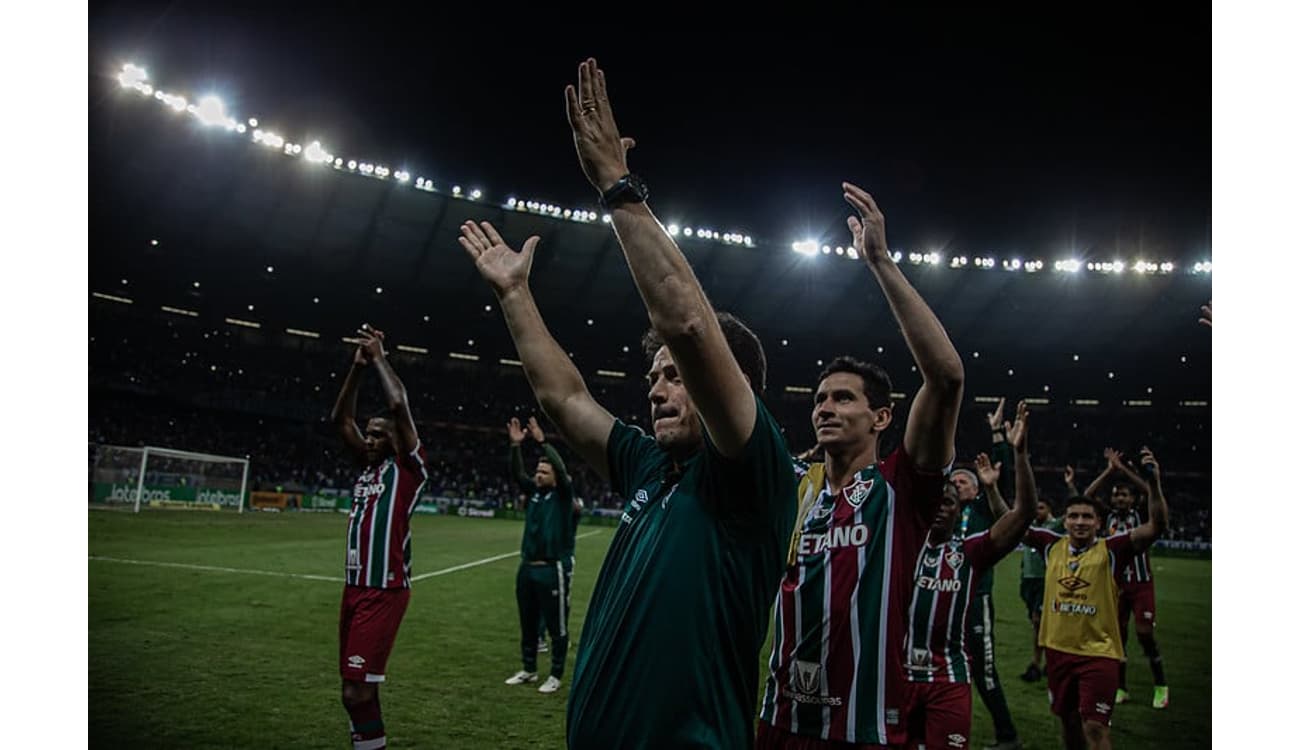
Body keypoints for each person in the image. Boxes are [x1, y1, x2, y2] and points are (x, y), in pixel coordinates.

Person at [458, 56, 796, 750]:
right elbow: (564, 397)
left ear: (728, 386)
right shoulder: (649, 465)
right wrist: (516, 297)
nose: (656, 384)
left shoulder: (749, 474)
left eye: (675, 376)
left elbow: (689, 324)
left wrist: (616, 184)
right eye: (655, 374)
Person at [756, 182, 965, 748]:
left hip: (863, 728)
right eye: (820, 398)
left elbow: (946, 377)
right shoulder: (797, 487)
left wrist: (879, 263)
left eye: (844, 398)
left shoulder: (900, 486)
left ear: (881, 417)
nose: (825, 407)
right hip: (777, 719)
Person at [897, 401, 1038, 750]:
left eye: (951, 498)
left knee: (985, 671)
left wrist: (1017, 453)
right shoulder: (899, 544)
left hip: (949, 672)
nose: (943, 505)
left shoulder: (969, 549)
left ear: (962, 504)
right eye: (937, 499)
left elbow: (1022, 515)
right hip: (898, 677)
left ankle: (1007, 734)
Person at [1024, 448, 1169, 750]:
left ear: (1098, 523)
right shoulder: (1053, 545)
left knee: (1096, 726)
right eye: (1073, 516)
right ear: (1065, 521)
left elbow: (1157, 525)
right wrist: (1014, 458)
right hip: (1059, 651)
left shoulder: (1115, 545)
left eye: (1087, 517)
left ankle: (1159, 684)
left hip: (1105, 640)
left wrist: (1152, 482)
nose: (1080, 521)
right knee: (1068, 722)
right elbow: (1011, 522)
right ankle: (1125, 687)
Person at [328, 324, 429, 750]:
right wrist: (356, 369)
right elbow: (340, 420)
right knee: (357, 689)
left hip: (382, 590)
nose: (368, 440)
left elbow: (397, 402)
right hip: (354, 589)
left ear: (395, 441)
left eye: (377, 435)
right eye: (367, 435)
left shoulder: (407, 470)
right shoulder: (367, 468)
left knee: (356, 692)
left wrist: (380, 358)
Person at [951, 399, 1021, 750]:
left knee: (985, 672)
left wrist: (997, 436)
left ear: (977, 489)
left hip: (975, 602)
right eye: (955, 480)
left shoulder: (982, 510)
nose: (959, 484)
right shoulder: (941, 517)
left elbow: (1002, 480)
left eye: (965, 480)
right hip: (943, 603)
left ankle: (1007, 736)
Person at [1085, 450, 1170, 709]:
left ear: (1132, 499)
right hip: (1116, 587)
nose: (1119, 498)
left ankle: (1160, 685)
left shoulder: (1142, 515)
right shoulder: (1106, 518)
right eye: (1116, 495)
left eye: (1124, 495)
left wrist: (1126, 470)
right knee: (1118, 638)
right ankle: (1121, 687)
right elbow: (1087, 496)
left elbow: (1150, 491)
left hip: (1141, 584)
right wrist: (1109, 472)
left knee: (1145, 634)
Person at [502, 416, 579, 694]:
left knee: (556, 625)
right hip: (527, 568)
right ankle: (529, 669)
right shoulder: (533, 493)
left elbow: (559, 465)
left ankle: (555, 674)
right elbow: (516, 473)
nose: (539, 474)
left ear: (557, 478)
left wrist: (543, 442)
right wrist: (515, 447)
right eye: (538, 470)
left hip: (551, 569)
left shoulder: (563, 497)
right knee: (528, 622)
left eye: (544, 472)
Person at [1018, 497, 1057, 683]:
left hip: (1045, 581)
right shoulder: (1030, 525)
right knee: (1037, 624)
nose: (1037, 511)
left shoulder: (1055, 526)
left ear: (1049, 509)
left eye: (1041, 507)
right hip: (1028, 580)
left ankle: (1037, 663)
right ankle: (1046, 663)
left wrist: (1071, 485)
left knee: (1039, 621)